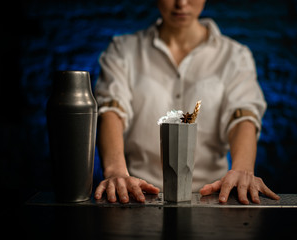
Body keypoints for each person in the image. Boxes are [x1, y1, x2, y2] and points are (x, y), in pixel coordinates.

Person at [94, 0, 280, 205]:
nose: (181, 3)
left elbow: (243, 114)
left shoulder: (234, 55)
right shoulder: (123, 50)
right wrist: (116, 172)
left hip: (213, 197)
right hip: (139, 196)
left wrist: (243, 170)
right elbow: (111, 110)